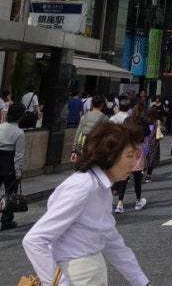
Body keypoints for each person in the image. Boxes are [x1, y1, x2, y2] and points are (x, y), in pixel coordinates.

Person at [23, 122, 151, 285]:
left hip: (89, 275)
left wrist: (142, 282)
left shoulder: (100, 187)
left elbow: (111, 240)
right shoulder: (82, 186)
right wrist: (60, 284)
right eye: (130, 155)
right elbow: (35, 239)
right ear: (110, 155)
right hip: (76, 276)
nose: (134, 162)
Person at [0, 102, 25, 232]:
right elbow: (19, 155)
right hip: (9, 162)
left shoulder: (1, 127)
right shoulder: (19, 133)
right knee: (10, 192)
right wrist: (18, 171)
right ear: (21, 116)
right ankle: (6, 220)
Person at [70, 94, 108, 163]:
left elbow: (78, 132)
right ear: (102, 104)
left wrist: (74, 150)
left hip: (82, 149)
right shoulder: (104, 118)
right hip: (96, 150)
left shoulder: (85, 116)